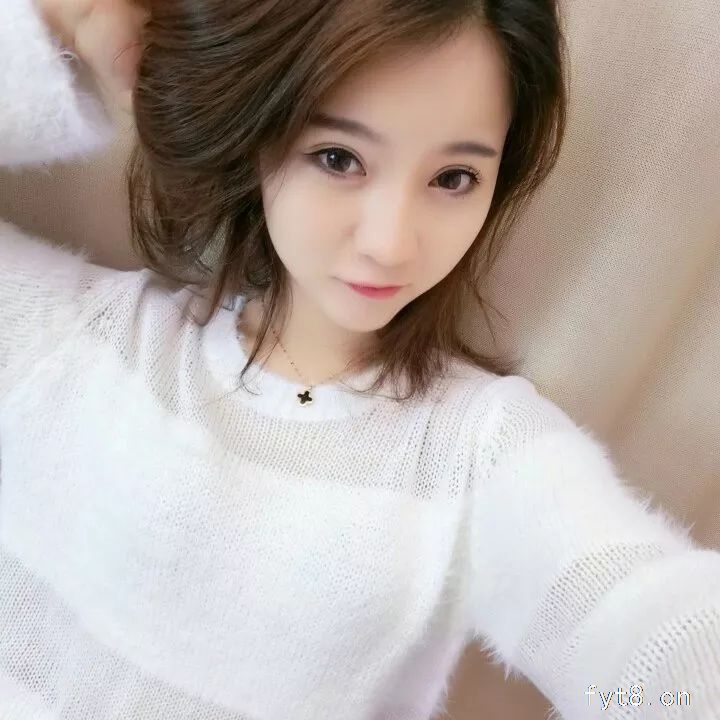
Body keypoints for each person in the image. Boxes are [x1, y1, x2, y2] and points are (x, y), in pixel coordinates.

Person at [0, 0, 718, 718]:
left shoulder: (476, 455)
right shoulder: (71, 338)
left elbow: (652, 648)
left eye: (453, 178)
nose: (389, 243)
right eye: (339, 158)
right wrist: (63, 25)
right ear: (258, 133)